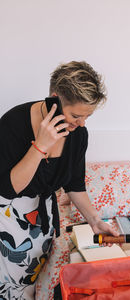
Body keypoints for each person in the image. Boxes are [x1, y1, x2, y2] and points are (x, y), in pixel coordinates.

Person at [0, 61, 118, 299]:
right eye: (76, 115)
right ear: (54, 99)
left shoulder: (78, 134)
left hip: (44, 219)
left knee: (34, 287)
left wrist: (94, 221)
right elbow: (9, 188)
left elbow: (74, 184)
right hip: (9, 221)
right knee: (10, 290)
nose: (82, 123)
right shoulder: (12, 123)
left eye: (88, 116)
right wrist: (40, 145)